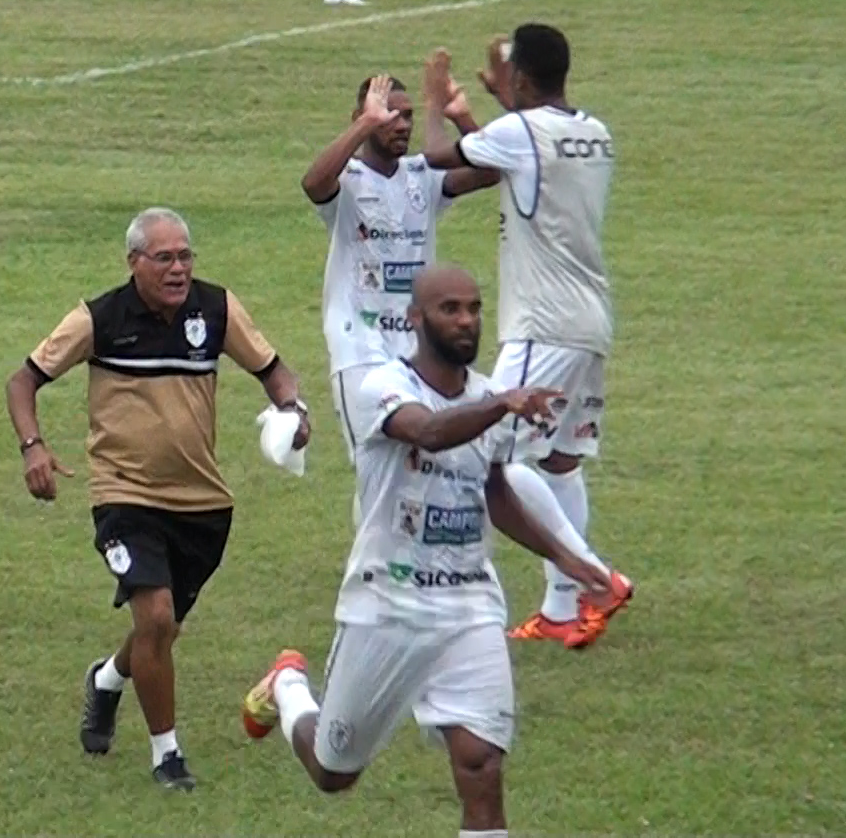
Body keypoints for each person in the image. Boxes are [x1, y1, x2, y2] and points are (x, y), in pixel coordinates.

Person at [240, 264, 612, 837]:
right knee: (334, 771)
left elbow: (495, 491)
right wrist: (502, 405)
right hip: (386, 604)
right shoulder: (383, 388)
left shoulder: (490, 396)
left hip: (469, 605)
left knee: (482, 763)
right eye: (450, 309)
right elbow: (429, 431)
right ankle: (288, 687)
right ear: (416, 319)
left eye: (474, 308)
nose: (466, 321)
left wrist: (565, 557)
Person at [5, 208, 311, 791]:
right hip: (124, 497)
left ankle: (107, 681)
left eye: (185, 256)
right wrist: (32, 446)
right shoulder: (101, 317)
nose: (178, 269)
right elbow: (22, 381)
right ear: (134, 263)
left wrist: (295, 411)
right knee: (157, 615)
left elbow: (275, 372)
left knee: (158, 633)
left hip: (203, 506)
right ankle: (166, 755)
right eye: (164, 258)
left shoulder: (216, 309)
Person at [421, 27, 635, 648]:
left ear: (520, 78)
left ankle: (597, 579)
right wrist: (493, 104)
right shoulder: (594, 130)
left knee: (490, 455)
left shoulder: (520, 133)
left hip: (543, 324)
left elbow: (441, 157)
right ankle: (562, 612)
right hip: (590, 320)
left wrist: (439, 103)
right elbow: (524, 146)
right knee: (561, 462)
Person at [301, 67, 494, 476]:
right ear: (363, 119)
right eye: (390, 115)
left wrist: (458, 116)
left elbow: (489, 170)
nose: (402, 124)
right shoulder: (348, 179)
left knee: (421, 466)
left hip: (416, 351)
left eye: (408, 115)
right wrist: (366, 123)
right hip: (359, 350)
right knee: (377, 470)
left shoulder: (421, 176)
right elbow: (314, 182)